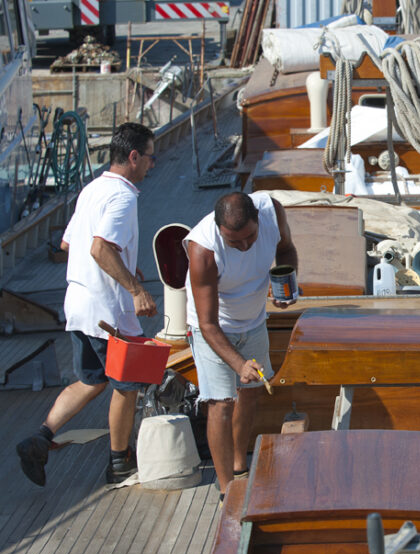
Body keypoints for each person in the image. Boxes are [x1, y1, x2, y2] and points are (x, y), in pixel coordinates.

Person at [16, 122, 158, 486]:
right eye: (150, 158)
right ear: (133, 156)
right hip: (106, 309)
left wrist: (124, 260)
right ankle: (119, 463)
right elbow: (99, 248)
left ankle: (40, 438)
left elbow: (69, 245)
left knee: (90, 380)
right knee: (127, 385)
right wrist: (135, 289)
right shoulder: (123, 196)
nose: (151, 165)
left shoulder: (92, 189)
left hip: (78, 304)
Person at [185, 191, 297, 499]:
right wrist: (239, 364)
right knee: (221, 403)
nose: (245, 246)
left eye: (250, 237)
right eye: (235, 243)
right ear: (220, 230)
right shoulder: (203, 250)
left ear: (258, 219)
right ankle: (227, 491)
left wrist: (287, 286)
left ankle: (239, 466)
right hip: (213, 329)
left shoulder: (272, 211)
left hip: (254, 321)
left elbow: (286, 250)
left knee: (250, 394)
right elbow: (208, 324)